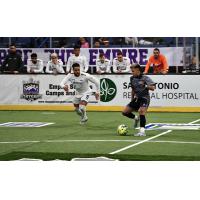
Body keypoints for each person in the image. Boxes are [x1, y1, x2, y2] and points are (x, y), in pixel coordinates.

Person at [122, 64, 155, 136]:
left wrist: (146, 86)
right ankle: (136, 118)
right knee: (125, 112)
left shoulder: (145, 78)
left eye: (133, 71)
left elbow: (153, 88)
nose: (132, 72)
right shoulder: (132, 78)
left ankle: (142, 131)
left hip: (144, 97)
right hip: (137, 98)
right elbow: (133, 89)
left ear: (138, 70)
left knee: (141, 111)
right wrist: (132, 100)